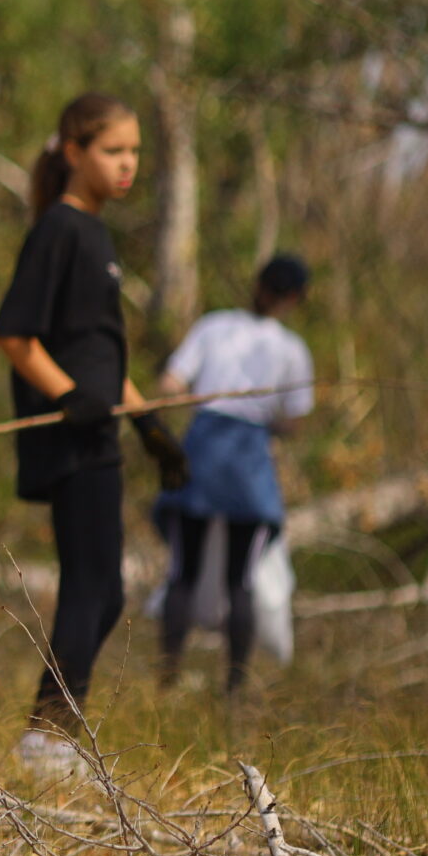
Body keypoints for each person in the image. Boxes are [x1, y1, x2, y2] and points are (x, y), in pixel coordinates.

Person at [0, 93, 189, 776]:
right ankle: (47, 740)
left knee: (108, 591)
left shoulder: (98, 237)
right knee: (90, 585)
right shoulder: (60, 230)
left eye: (134, 151)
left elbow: (104, 357)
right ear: (74, 152)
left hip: (100, 430)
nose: (128, 163)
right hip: (71, 433)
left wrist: (150, 424)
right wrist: (69, 395)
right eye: (113, 150)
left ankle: (55, 731)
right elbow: (15, 335)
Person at [155, 253, 314, 694]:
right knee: (238, 580)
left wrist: (179, 399)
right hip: (247, 466)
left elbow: (171, 383)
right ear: (295, 298)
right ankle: (235, 687)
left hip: (203, 455)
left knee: (183, 571)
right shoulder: (292, 349)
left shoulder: (214, 325)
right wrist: (260, 419)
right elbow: (295, 423)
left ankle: (168, 678)